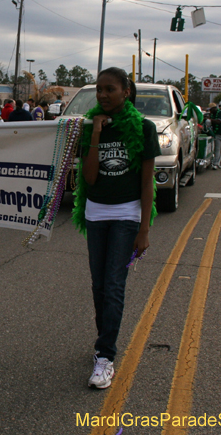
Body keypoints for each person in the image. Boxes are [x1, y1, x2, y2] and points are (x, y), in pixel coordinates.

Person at [72, 66, 160, 389]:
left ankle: (105, 355)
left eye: (110, 89)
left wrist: (144, 230)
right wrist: (95, 133)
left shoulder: (144, 129)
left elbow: (147, 183)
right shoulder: (88, 127)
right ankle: (103, 341)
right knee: (98, 285)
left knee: (113, 285)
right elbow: (90, 178)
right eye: (99, 90)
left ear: (126, 91)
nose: (103, 95)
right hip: (95, 214)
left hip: (127, 215)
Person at [209, 104, 221, 169]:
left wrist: (210, 120)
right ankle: (215, 163)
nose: (210, 111)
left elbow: (218, 121)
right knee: (217, 149)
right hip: (217, 134)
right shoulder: (212, 115)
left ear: (214, 108)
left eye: (211, 110)